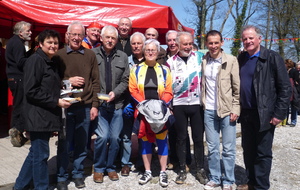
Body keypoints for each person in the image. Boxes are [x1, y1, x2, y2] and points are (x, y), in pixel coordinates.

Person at [13, 29, 71, 190]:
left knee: (35, 154)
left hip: (45, 114)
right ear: (40, 44)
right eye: (49, 42)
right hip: (37, 115)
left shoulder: (50, 61)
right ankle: (41, 187)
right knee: (41, 156)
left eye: (55, 43)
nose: (53, 45)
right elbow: (31, 90)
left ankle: (19, 186)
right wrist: (56, 101)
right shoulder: (36, 61)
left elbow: (46, 87)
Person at [237, 25, 291, 190]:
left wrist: (279, 113)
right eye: (245, 39)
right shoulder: (242, 59)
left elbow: (285, 88)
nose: (248, 41)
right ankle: (251, 181)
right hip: (246, 113)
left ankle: (261, 186)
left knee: (262, 152)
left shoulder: (272, 58)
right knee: (248, 150)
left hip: (265, 113)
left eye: (251, 38)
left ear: (259, 39)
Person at [54, 21, 100, 190]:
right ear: (67, 35)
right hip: (65, 106)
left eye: (79, 34)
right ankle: (61, 176)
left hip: (85, 105)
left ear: (84, 36)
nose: (76, 37)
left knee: (82, 143)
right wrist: (67, 81)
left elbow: (96, 81)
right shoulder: (58, 55)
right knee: (64, 143)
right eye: (73, 34)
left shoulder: (90, 55)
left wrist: (95, 105)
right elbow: (51, 82)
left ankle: (78, 174)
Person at [129, 39, 173, 187]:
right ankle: (147, 171)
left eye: (153, 50)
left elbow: (168, 91)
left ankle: (162, 172)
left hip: (160, 111)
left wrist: (161, 104)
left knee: (162, 141)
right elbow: (133, 89)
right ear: (144, 51)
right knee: (146, 141)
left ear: (158, 52)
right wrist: (145, 105)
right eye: (147, 50)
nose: (150, 52)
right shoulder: (136, 69)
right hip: (143, 111)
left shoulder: (165, 70)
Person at [166, 31, 207, 185]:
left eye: (190, 43)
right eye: (185, 44)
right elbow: (166, 85)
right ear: (177, 44)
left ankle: (200, 169)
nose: (188, 47)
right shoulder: (170, 62)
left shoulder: (199, 58)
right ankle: (182, 169)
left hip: (197, 104)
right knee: (181, 137)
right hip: (179, 104)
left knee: (198, 138)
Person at [201, 30, 240, 190]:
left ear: (222, 43)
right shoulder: (204, 60)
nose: (213, 46)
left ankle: (229, 180)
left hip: (227, 111)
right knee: (212, 148)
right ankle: (215, 177)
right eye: (210, 43)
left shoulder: (231, 60)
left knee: (229, 148)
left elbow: (237, 88)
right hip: (209, 110)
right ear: (206, 44)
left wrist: (236, 108)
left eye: (216, 42)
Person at [92, 25, 129, 183]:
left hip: (117, 105)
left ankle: (111, 167)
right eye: (107, 37)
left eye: (113, 38)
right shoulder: (92, 55)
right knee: (102, 137)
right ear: (101, 38)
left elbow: (126, 79)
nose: (110, 40)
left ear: (116, 40)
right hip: (100, 106)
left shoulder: (122, 56)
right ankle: (99, 168)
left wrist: (116, 92)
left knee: (115, 138)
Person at [164, 30, 192, 171]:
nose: (172, 42)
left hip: (185, 101)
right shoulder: (163, 57)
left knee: (182, 132)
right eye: (169, 40)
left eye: (175, 40)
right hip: (170, 100)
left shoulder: (189, 55)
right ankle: (174, 159)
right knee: (172, 131)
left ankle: (186, 159)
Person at [120, 32, 146, 176]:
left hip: (143, 104)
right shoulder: (125, 60)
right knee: (126, 135)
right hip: (127, 103)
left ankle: (142, 162)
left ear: (143, 44)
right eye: (134, 44)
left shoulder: (149, 61)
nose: (136, 46)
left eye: (139, 43)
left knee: (142, 134)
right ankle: (125, 163)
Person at [5, 21, 32, 147]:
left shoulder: (15, 42)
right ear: (20, 32)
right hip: (18, 79)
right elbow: (20, 61)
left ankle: (17, 134)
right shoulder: (17, 43)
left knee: (19, 105)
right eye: (28, 31)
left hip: (15, 78)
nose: (30, 32)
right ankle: (16, 134)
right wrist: (34, 61)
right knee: (20, 106)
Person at [284, 59, 299, 127]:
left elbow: (297, 81)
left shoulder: (294, 71)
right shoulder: (284, 71)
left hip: (294, 91)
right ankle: (285, 120)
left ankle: (293, 121)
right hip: (287, 90)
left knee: (294, 106)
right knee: (285, 106)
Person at [0, 42, 8, 115]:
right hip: (4, 76)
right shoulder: (4, 52)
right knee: (3, 95)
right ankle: (4, 109)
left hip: (3, 76)